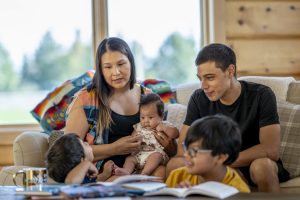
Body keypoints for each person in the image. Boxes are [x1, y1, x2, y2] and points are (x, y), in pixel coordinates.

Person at [166, 43, 290, 192]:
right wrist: (213, 163)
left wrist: (222, 161)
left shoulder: (262, 95)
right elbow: (182, 149)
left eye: (210, 78)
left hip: (247, 162)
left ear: (230, 71)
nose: (203, 85)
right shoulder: (198, 98)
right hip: (214, 163)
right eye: (200, 78)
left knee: (262, 166)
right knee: (174, 164)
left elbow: (271, 150)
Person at [64, 37, 177, 180]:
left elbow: (167, 143)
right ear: (100, 69)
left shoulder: (148, 97)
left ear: (131, 62)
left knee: (160, 174)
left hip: (144, 164)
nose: (116, 72)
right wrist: (115, 148)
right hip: (105, 171)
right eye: (108, 67)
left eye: (121, 64)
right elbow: (69, 151)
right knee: (121, 182)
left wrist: (169, 147)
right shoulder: (86, 99)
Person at [166, 114, 250, 193]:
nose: (185, 155)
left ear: (220, 157)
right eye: (186, 148)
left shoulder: (238, 191)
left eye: (194, 151)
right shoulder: (177, 176)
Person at [115, 93, 179, 176]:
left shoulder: (163, 125)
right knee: (129, 159)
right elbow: (132, 138)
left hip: (155, 154)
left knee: (156, 156)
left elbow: (175, 134)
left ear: (161, 116)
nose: (146, 121)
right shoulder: (139, 127)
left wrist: (165, 128)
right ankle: (126, 171)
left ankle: (145, 173)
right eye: (143, 117)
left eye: (150, 117)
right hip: (139, 155)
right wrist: (135, 139)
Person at [46, 133, 114, 184]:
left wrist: (105, 174)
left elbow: (91, 183)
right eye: (84, 144)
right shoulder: (74, 181)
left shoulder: (84, 177)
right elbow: (71, 183)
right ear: (82, 160)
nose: (87, 143)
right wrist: (86, 163)